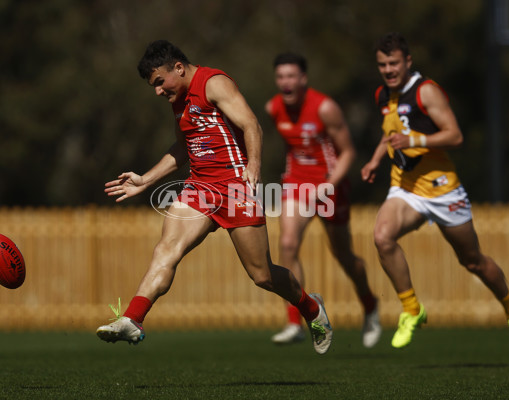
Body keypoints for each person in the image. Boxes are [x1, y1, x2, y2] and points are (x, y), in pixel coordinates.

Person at [96, 40, 333, 354]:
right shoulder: (177, 98)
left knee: (262, 275)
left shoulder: (214, 83)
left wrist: (255, 166)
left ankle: (311, 308)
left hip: (236, 187)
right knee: (166, 249)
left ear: (178, 68)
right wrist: (145, 180)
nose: (157, 91)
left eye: (159, 82)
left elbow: (252, 125)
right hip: (200, 188)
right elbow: (182, 147)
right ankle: (133, 318)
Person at [361, 32, 509, 353]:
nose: (388, 69)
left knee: (473, 262)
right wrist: (373, 161)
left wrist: (414, 142)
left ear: (407, 61)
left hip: (443, 190)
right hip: (406, 187)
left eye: (394, 63)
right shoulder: (383, 95)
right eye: (382, 64)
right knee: (382, 237)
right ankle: (412, 309)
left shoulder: (426, 92)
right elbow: (390, 134)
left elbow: (455, 136)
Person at [265, 53, 381, 348]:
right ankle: (296, 321)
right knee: (288, 244)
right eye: (281, 77)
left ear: (303, 79)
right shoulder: (273, 108)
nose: (286, 83)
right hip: (296, 184)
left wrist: (328, 186)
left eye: (291, 76)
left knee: (343, 256)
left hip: (330, 186)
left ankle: (369, 305)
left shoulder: (325, 108)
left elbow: (349, 153)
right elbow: (292, 146)